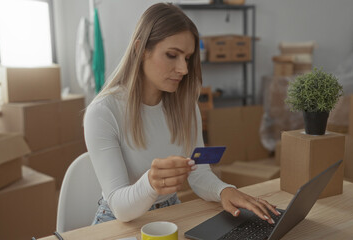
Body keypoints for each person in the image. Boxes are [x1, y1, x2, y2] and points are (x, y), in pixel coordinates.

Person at [84, 2, 280, 225]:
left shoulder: (185, 106)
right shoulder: (103, 112)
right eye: (171, 55)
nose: (184, 69)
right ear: (140, 49)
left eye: (187, 58)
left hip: (170, 211)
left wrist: (224, 191)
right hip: (118, 222)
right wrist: (150, 182)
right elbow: (120, 207)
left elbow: (198, 174)